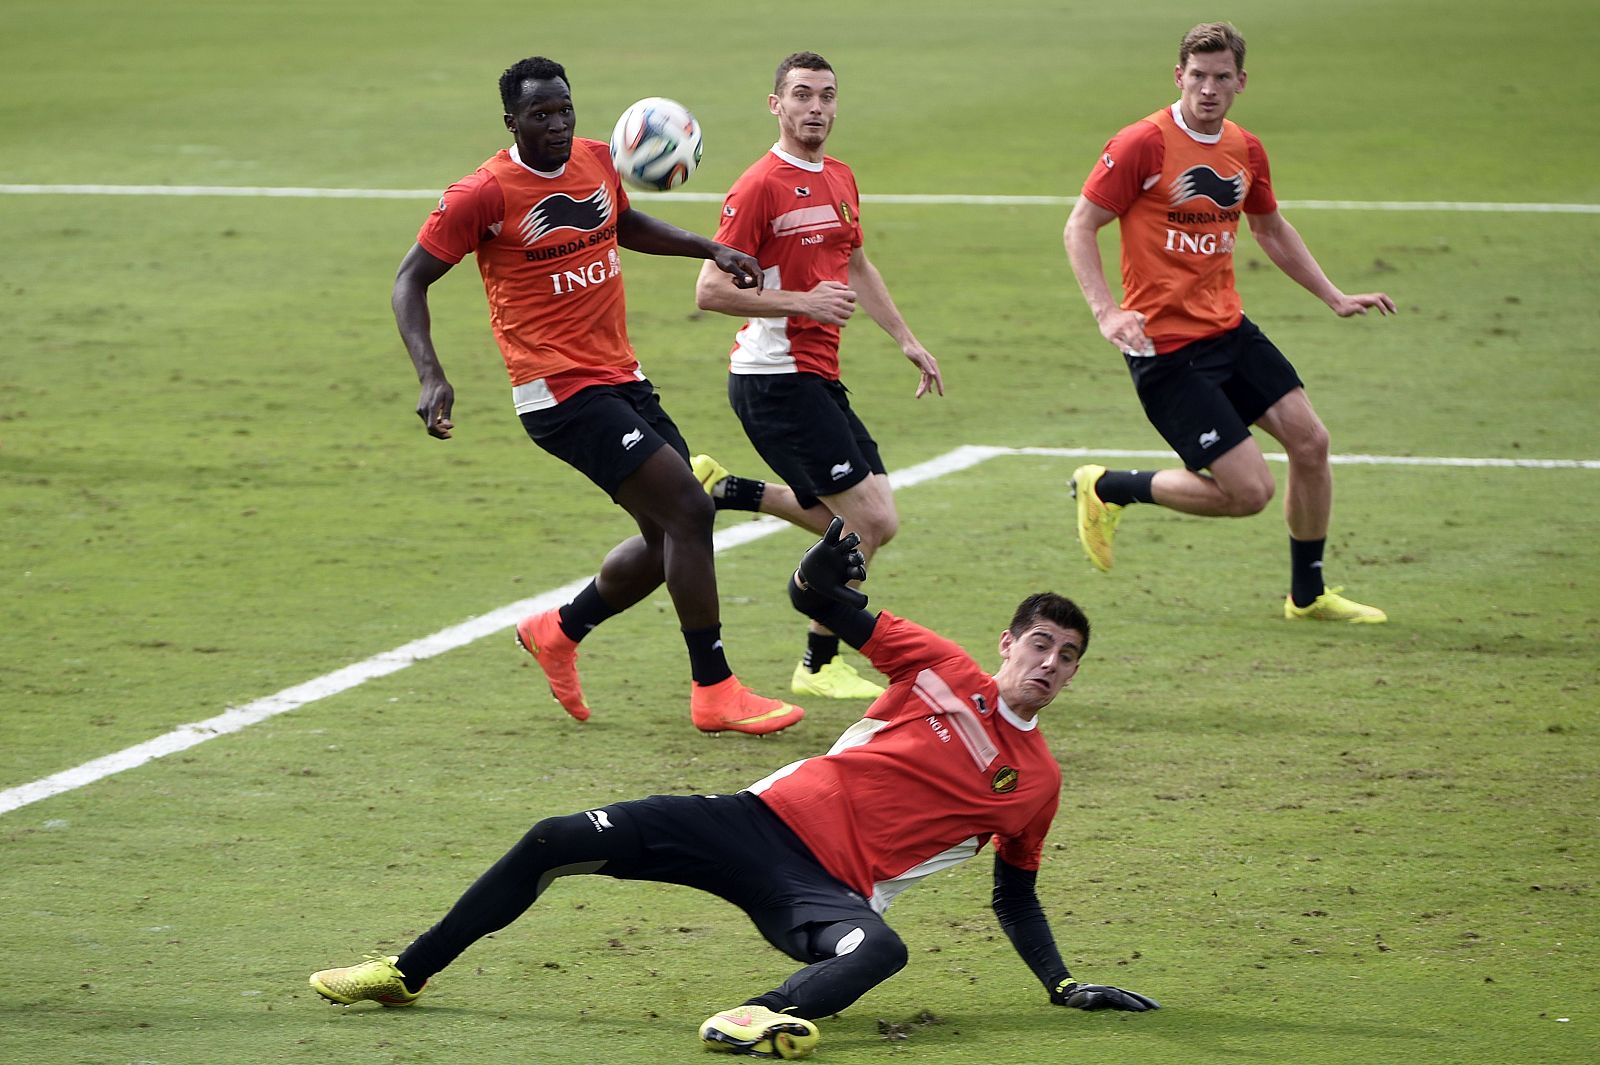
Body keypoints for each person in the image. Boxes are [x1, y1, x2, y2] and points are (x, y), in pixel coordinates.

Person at [309, 520, 1159, 1059]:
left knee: (882, 950)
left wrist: (1061, 981)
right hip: (751, 821)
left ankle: (760, 1016)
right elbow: (815, 595)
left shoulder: (1036, 783)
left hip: (823, 891)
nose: (1050, 664)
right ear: (1008, 642)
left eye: (1068, 656)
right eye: (1041, 644)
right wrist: (819, 563)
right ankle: (405, 970)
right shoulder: (938, 665)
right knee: (554, 837)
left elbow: (1017, 895)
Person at [394, 55, 803, 735]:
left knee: (668, 532)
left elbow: (622, 223)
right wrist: (431, 373)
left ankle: (558, 630)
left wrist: (710, 247)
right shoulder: (483, 194)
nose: (556, 125)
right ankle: (714, 689)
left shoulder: (595, 159)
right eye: (540, 114)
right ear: (511, 121)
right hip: (557, 391)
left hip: (620, 374)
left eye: (564, 109)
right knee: (689, 513)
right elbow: (409, 280)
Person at [1063, 22, 1395, 623]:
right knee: (1250, 494)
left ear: (1241, 82)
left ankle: (1308, 595)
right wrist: (1106, 311)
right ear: (1178, 77)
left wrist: (1333, 295)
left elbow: (1270, 228)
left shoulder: (1245, 148)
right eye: (1197, 76)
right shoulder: (1144, 142)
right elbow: (1080, 225)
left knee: (1312, 444)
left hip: (1228, 330)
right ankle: (1108, 488)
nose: (1208, 89)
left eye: (1221, 78)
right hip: (1163, 348)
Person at [690, 51, 944, 701]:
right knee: (870, 519)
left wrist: (906, 338)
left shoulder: (840, 177)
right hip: (774, 377)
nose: (816, 109)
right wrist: (801, 302)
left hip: (817, 373)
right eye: (802, 95)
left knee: (873, 515)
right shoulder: (758, 187)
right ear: (776, 105)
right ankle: (818, 655)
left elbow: (856, 265)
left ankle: (727, 491)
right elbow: (710, 290)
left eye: (827, 96)